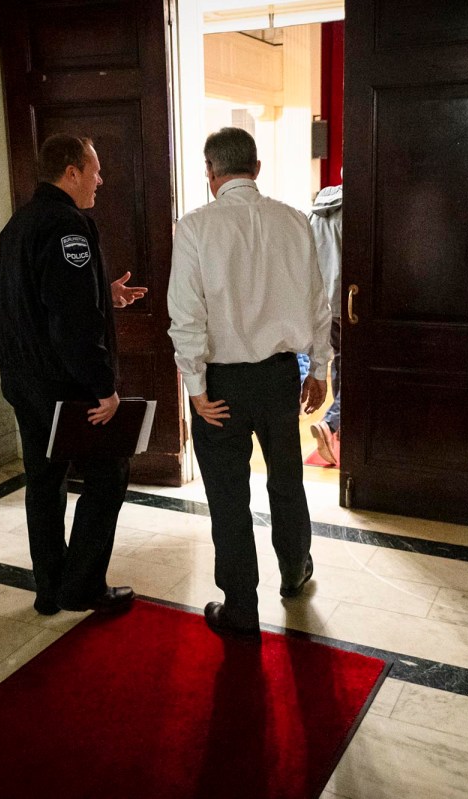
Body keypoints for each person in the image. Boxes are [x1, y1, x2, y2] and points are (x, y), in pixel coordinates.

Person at [168, 127, 332, 638]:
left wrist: (195, 388)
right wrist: (320, 368)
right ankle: (294, 572)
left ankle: (241, 606)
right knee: (287, 480)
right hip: (282, 376)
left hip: (221, 384)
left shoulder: (194, 228)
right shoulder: (294, 222)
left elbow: (186, 314)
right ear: (256, 168)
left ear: (210, 173)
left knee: (228, 494)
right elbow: (317, 302)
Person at [0, 133, 146, 616]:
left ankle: (49, 589)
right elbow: (71, 319)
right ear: (72, 172)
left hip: (24, 382)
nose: (101, 179)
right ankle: (81, 587)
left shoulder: (19, 224)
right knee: (109, 475)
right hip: (66, 387)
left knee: (44, 483)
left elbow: (32, 300)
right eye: (94, 169)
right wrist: (104, 387)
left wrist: (106, 292)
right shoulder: (68, 226)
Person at [306, 184, 343, 464]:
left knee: (342, 363)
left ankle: (340, 431)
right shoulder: (358, 211)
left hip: (325, 304)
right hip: (353, 302)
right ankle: (332, 424)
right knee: (360, 370)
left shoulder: (316, 212)